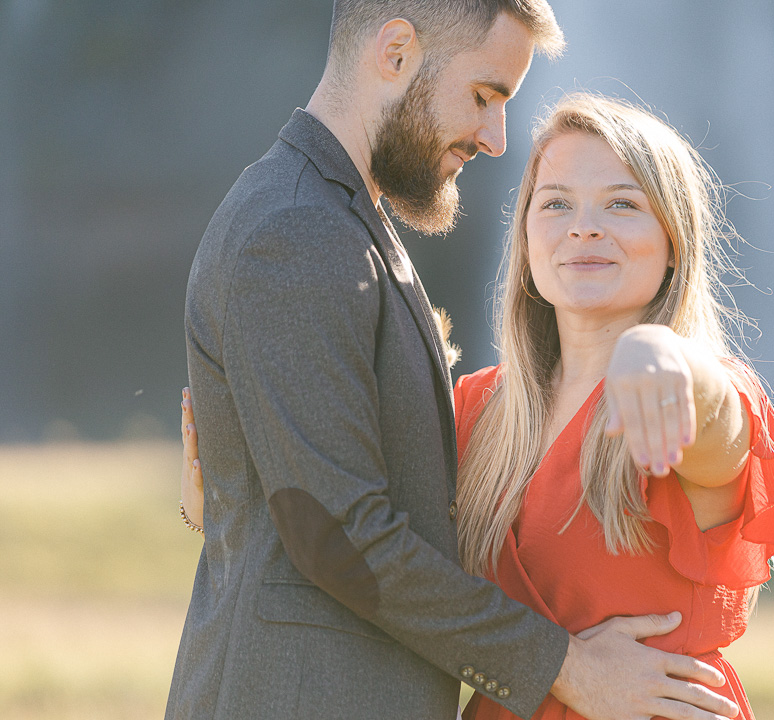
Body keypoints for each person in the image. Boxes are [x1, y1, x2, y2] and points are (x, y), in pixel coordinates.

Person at [169, 1, 740, 719]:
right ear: (397, 52)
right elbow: (337, 532)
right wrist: (569, 669)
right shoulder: (299, 229)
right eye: (484, 96)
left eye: (623, 205)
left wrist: (234, 500)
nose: (497, 138)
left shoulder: (345, 220)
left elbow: (381, 504)